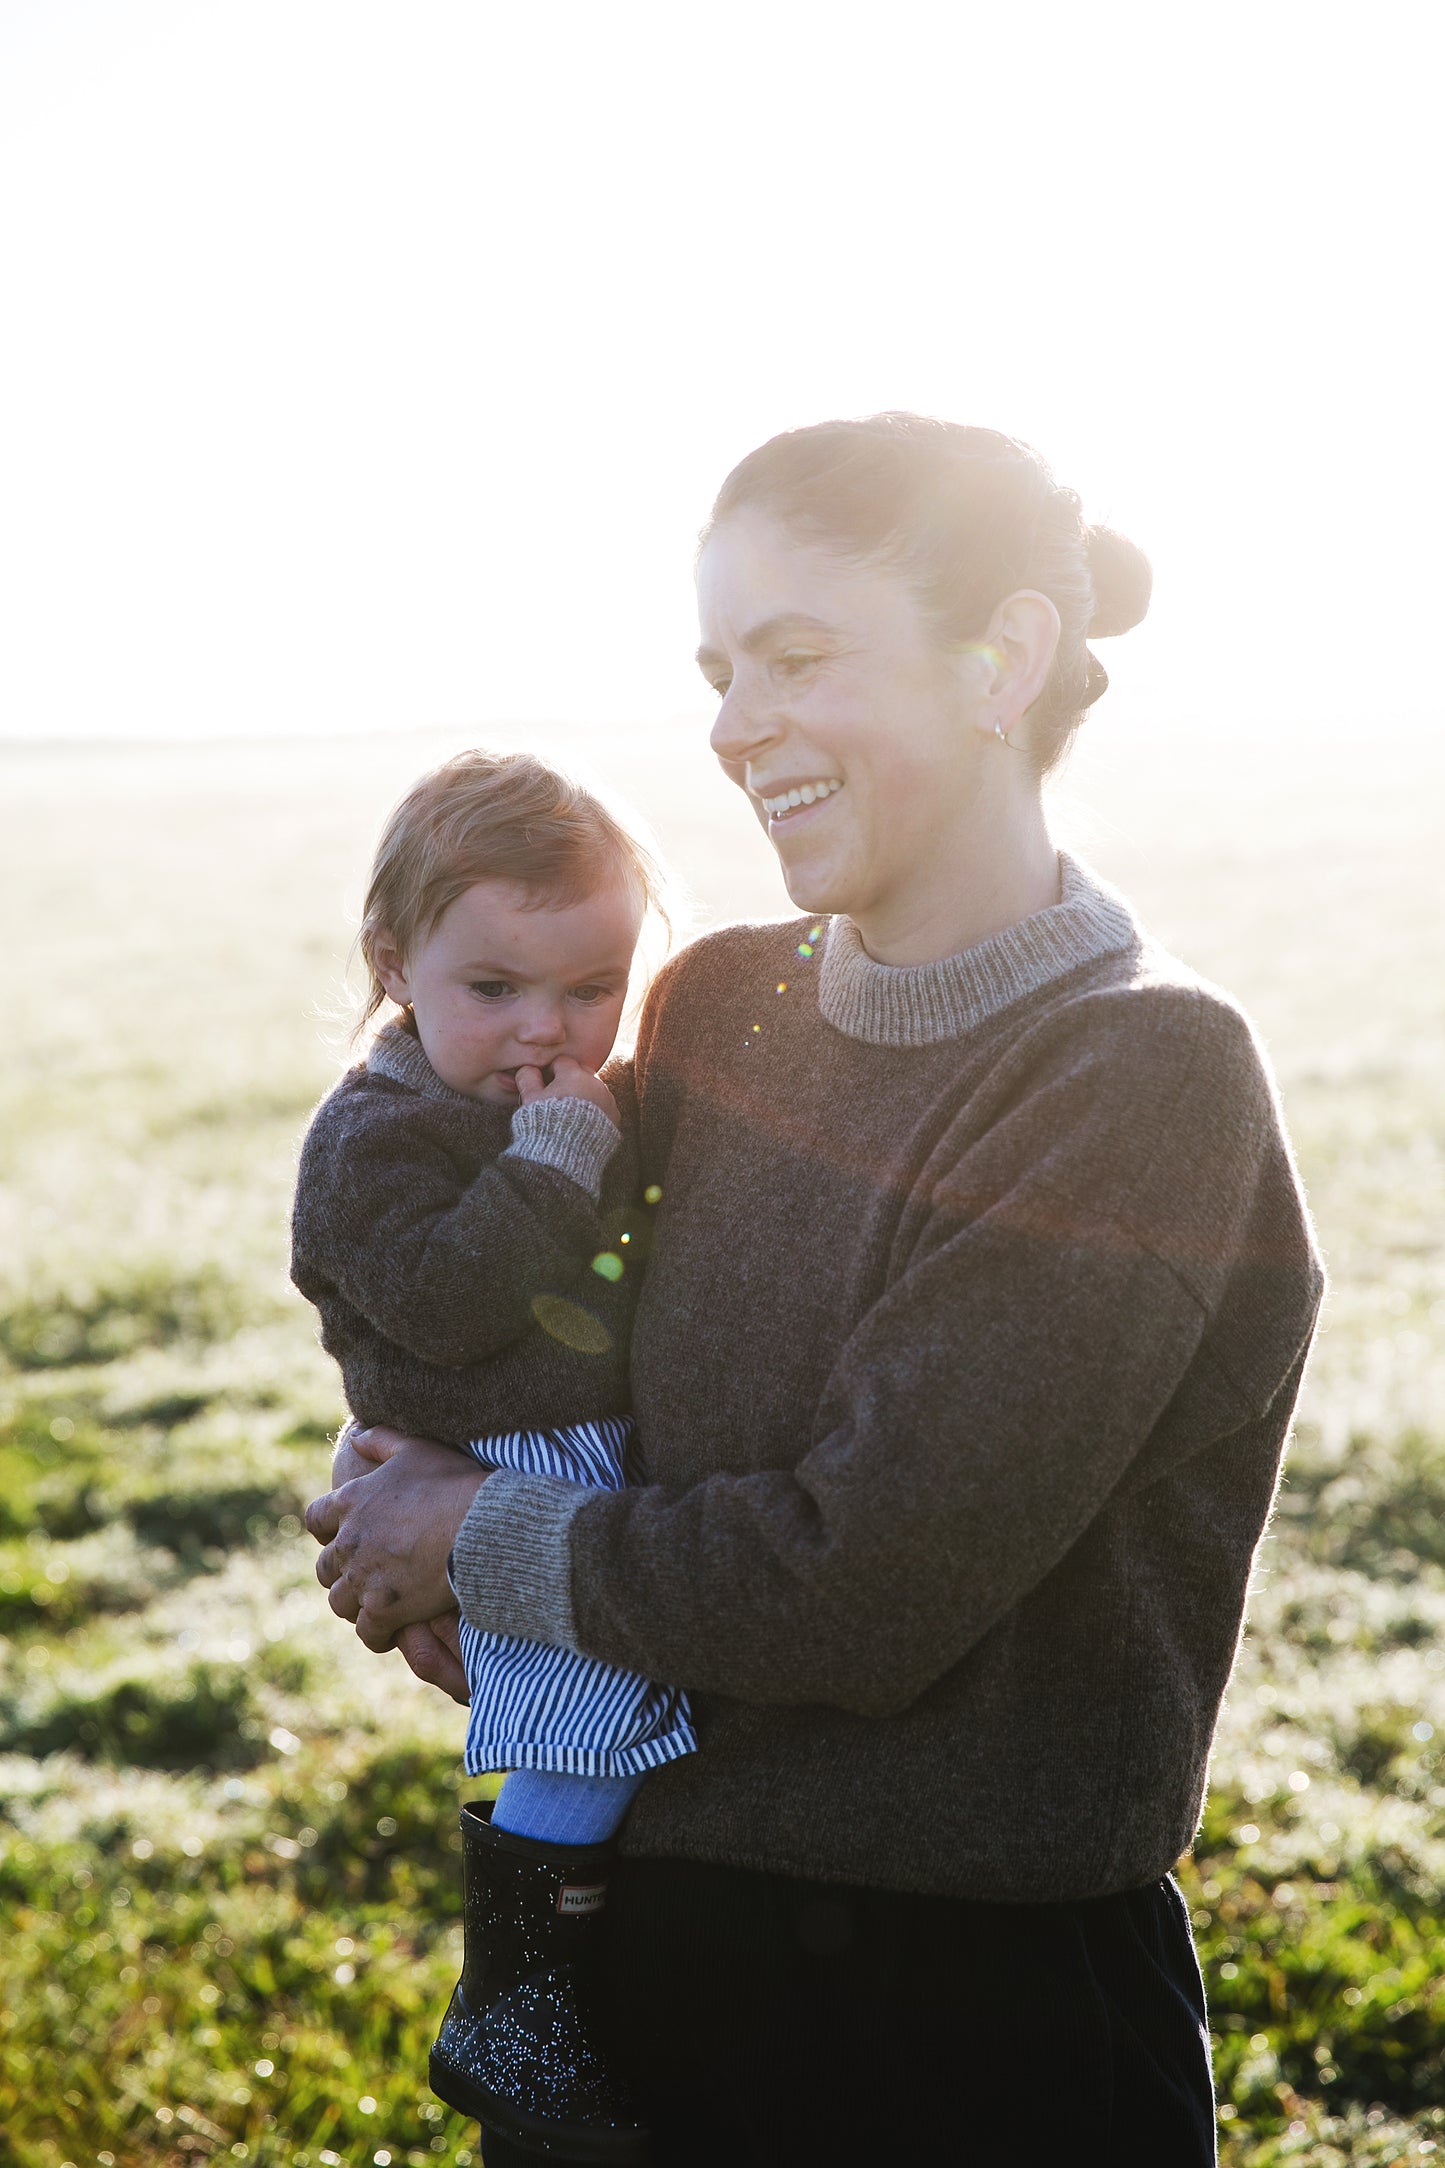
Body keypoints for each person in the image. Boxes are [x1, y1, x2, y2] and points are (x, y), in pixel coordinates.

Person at [308, 414, 1325, 2166]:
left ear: (998, 658)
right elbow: (542, 1356)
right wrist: (393, 1511)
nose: (726, 727)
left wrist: (472, 1531)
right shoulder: (713, 1010)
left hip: (958, 2028)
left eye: (791, 656)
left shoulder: (1139, 1074)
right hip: (615, 1977)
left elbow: (861, 1589)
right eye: (715, 670)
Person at [290, 748, 694, 2162]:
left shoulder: (584, 1095)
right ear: (396, 965)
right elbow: (451, 1302)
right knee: (589, 1724)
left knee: (617, 1709)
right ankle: (513, 1998)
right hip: (501, 1456)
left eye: (591, 990)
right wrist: (551, 1162)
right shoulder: (375, 1136)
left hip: (573, 1453)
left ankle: (564, 1982)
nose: (547, 1031)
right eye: (495, 990)